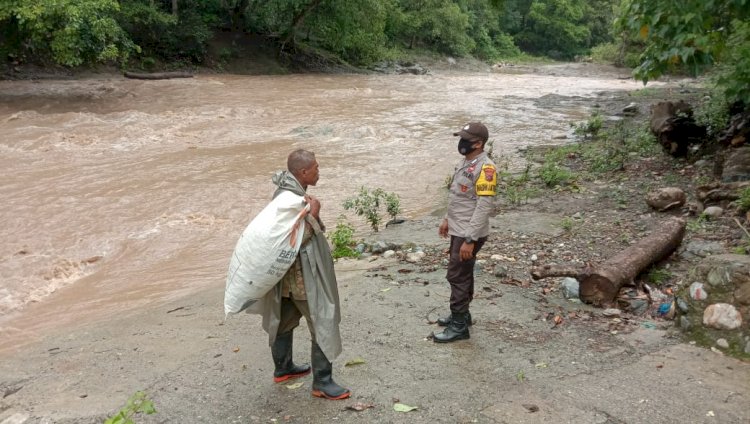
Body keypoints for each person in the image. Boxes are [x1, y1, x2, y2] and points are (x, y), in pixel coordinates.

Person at [249, 149, 350, 400]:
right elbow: (290, 243)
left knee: (283, 321)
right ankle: (322, 383)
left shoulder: (287, 194)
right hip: (300, 279)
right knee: (322, 321)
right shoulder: (291, 200)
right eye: (316, 167)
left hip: (284, 281)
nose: (319, 170)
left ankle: (283, 368)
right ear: (303, 172)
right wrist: (314, 214)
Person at [434, 122, 497, 343]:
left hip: (469, 231)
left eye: (466, 138)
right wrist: (446, 220)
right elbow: (458, 197)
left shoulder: (486, 168)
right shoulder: (467, 163)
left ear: (478, 143)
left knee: (456, 275)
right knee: (464, 272)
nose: (461, 142)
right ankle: (463, 315)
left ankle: (459, 326)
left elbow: (483, 205)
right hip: (459, 227)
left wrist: (470, 239)